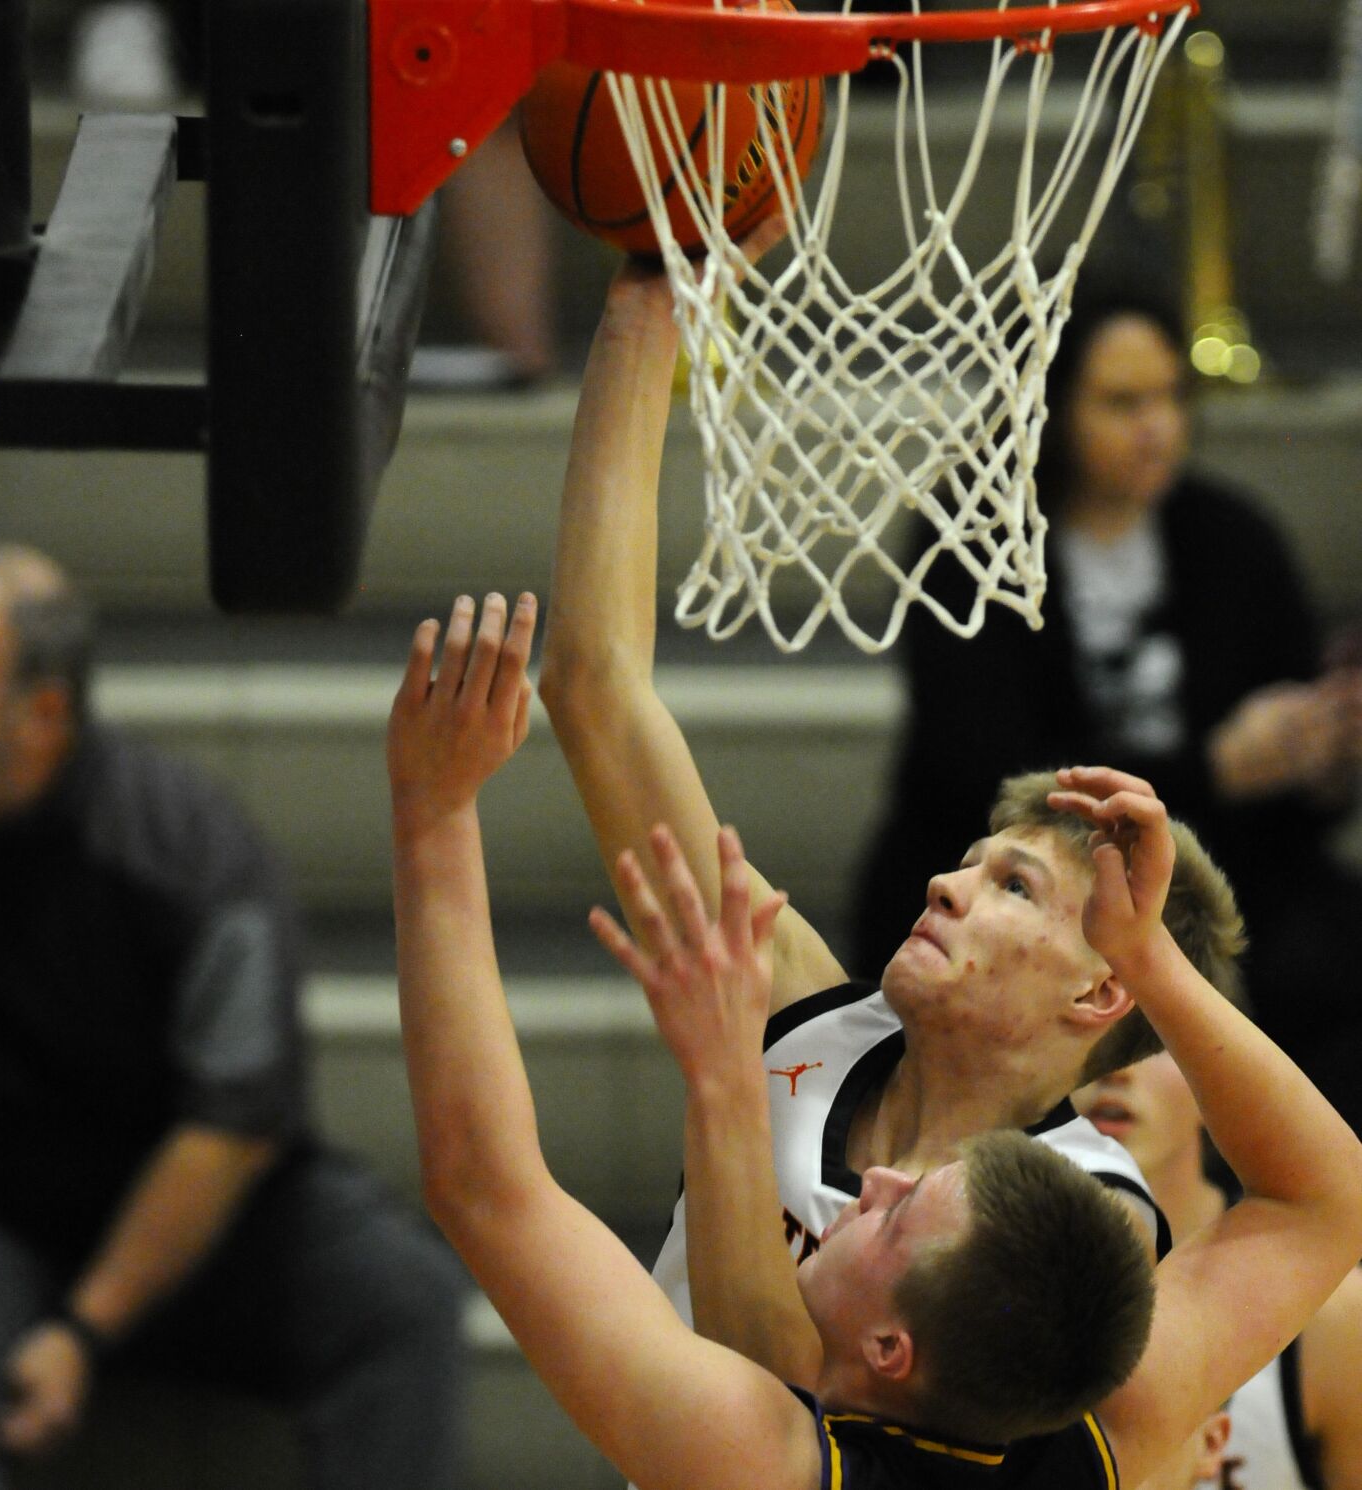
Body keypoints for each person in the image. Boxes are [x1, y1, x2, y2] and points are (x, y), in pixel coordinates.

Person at [388, 589, 1362, 1490]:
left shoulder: (755, 1450)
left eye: (898, 1212)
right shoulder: (1099, 1428)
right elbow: (1319, 1196)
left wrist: (434, 815)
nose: (879, 1183)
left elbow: (490, 1183)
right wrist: (1146, 955)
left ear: (893, 1350)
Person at [535, 240, 1250, 1383]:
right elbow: (592, 689)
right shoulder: (803, 1012)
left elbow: (785, 1406)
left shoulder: (1085, 1218)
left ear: (1102, 985)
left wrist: (722, 1089)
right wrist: (643, 302)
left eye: (1010, 886)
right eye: (974, 860)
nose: (942, 882)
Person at [0, 546, 466, 1490]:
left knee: (401, 1299)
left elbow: (229, 1130)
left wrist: (82, 1330)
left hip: (199, 1216)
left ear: (39, 716)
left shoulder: (182, 855)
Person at [851, 282, 1362, 1138]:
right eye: (1122, 402)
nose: (1156, 426)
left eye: (1169, 397)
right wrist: (1214, 768)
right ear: (1049, 408)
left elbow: (1293, 798)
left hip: (1212, 873)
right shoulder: (972, 543)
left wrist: (1326, 755)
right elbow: (981, 768)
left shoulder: (1231, 536)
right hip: (1021, 869)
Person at [1076, 1051, 1362, 1489]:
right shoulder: (990, 1270)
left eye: (1148, 1042)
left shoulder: (1334, 1312)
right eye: (1092, 1037)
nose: (1115, 1068)